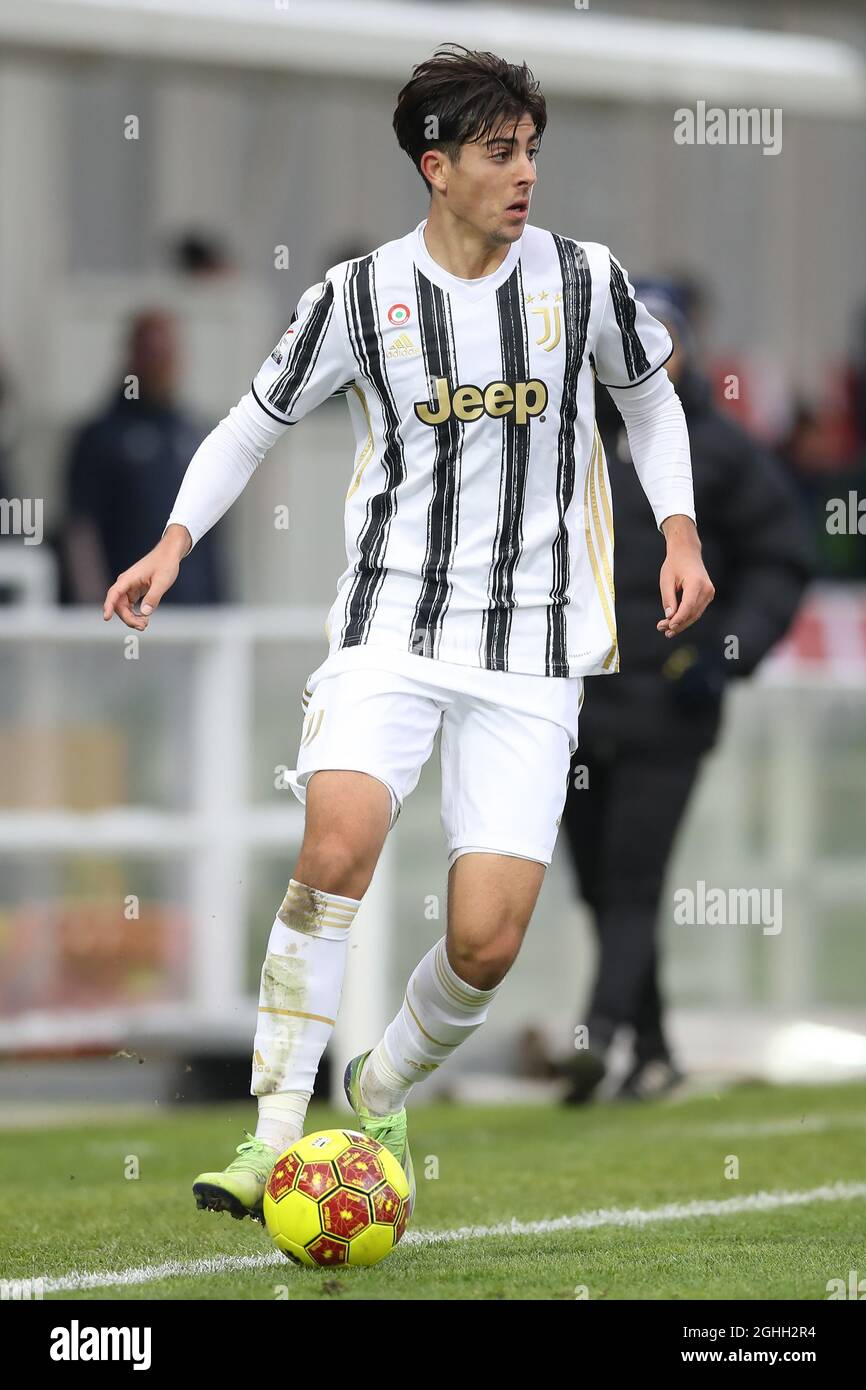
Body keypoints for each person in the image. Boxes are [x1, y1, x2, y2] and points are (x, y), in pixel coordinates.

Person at [102, 46, 713, 1226]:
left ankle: (376, 1090)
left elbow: (648, 395)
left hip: (533, 646)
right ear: (435, 168)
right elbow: (251, 419)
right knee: (335, 845)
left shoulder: (584, 281)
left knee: (485, 942)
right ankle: (271, 1134)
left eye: (531, 149)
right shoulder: (357, 297)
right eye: (498, 153)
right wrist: (174, 540)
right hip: (390, 620)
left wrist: (677, 532)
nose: (524, 172)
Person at [557, 281, 814, 1105]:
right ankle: (656, 1050)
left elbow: (782, 561)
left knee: (632, 879)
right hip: (572, 702)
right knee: (598, 883)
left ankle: (594, 1033)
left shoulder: (723, 451)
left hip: (671, 707)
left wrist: (724, 655)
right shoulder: (570, 440)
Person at [63, 311, 224, 605]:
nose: (162, 364)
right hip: (130, 610)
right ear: (133, 356)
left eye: (168, 354)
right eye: (153, 353)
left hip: (195, 614)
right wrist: (93, 606)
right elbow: (81, 530)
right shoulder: (100, 436)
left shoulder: (194, 433)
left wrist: (224, 605)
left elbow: (214, 530)